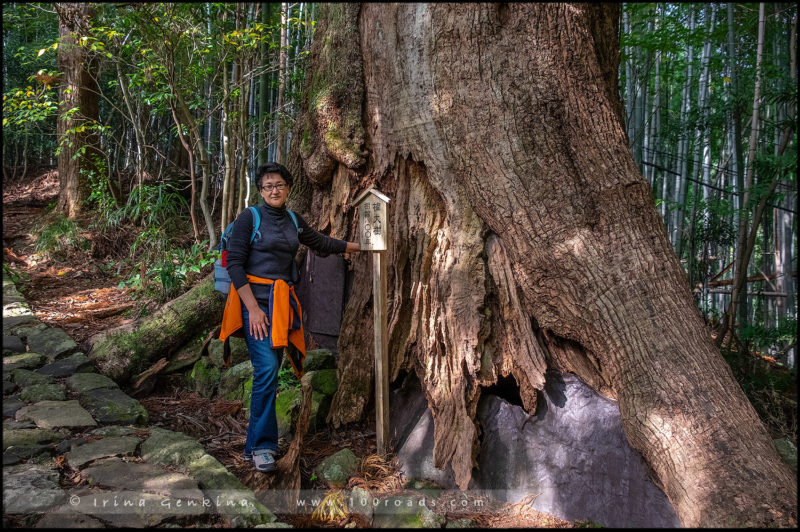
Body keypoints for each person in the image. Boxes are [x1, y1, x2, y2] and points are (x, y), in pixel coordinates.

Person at [219, 162, 361, 472]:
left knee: (271, 369)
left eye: (279, 185)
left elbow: (319, 242)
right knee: (268, 369)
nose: (274, 190)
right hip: (253, 302)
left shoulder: (294, 220)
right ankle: (262, 447)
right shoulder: (249, 218)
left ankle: (253, 446)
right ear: (260, 190)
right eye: (268, 186)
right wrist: (253, 310)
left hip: (281, 303)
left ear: (288, 188)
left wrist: (358, 247)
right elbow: (234, 266)